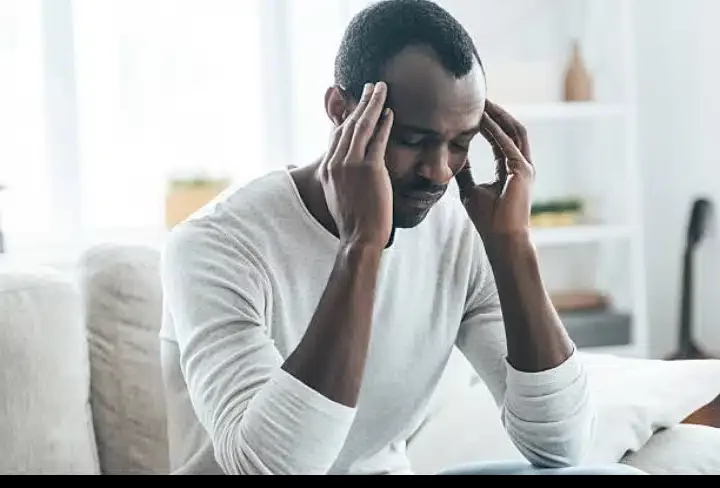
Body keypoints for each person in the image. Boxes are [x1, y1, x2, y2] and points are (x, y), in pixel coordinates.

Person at [158, 0, 645, 476]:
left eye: (460, 143)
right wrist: (361, 247)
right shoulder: (212, 246)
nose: (438, 171)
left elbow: (561, 446)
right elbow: (270, 469)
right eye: (412, 140)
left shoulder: (456, 229)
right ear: (339, 110)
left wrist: (512, 246)